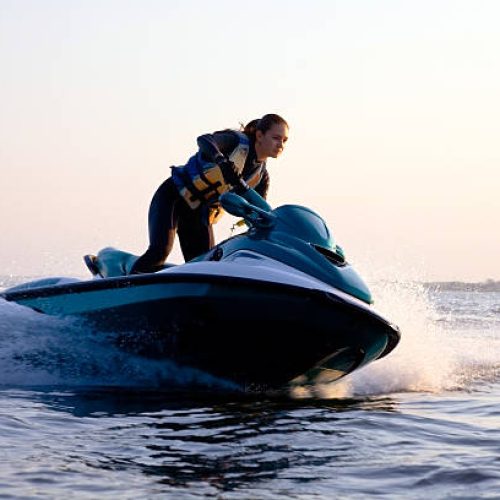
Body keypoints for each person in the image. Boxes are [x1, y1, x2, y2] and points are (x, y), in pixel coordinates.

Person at [86, 114, 289, 276]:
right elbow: (204, 140)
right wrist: (220, 161)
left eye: (284, 140)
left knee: (205, 267)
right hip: (174, 196)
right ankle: (124, 288)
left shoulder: (261, 177)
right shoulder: (235, 142)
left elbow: (258, 211)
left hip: (198, 213)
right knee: (159, 252)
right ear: (260, 135)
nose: (281, 144)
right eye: (276, 138)